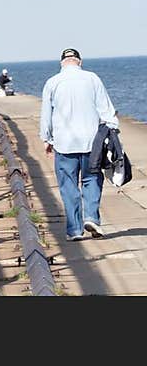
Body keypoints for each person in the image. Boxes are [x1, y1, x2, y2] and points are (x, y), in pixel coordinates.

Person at [40, 47, 119, 241]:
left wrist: (46, 139)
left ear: (61, 63)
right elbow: (106, 110)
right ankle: (91, 217)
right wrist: (113, 132)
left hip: (64, 142)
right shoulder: (92, 78)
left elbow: (46, 115)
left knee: (68, 185)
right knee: (92, 178)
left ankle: (75, 230)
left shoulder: (52, 82)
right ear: (79, 61)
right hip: (92, 142)